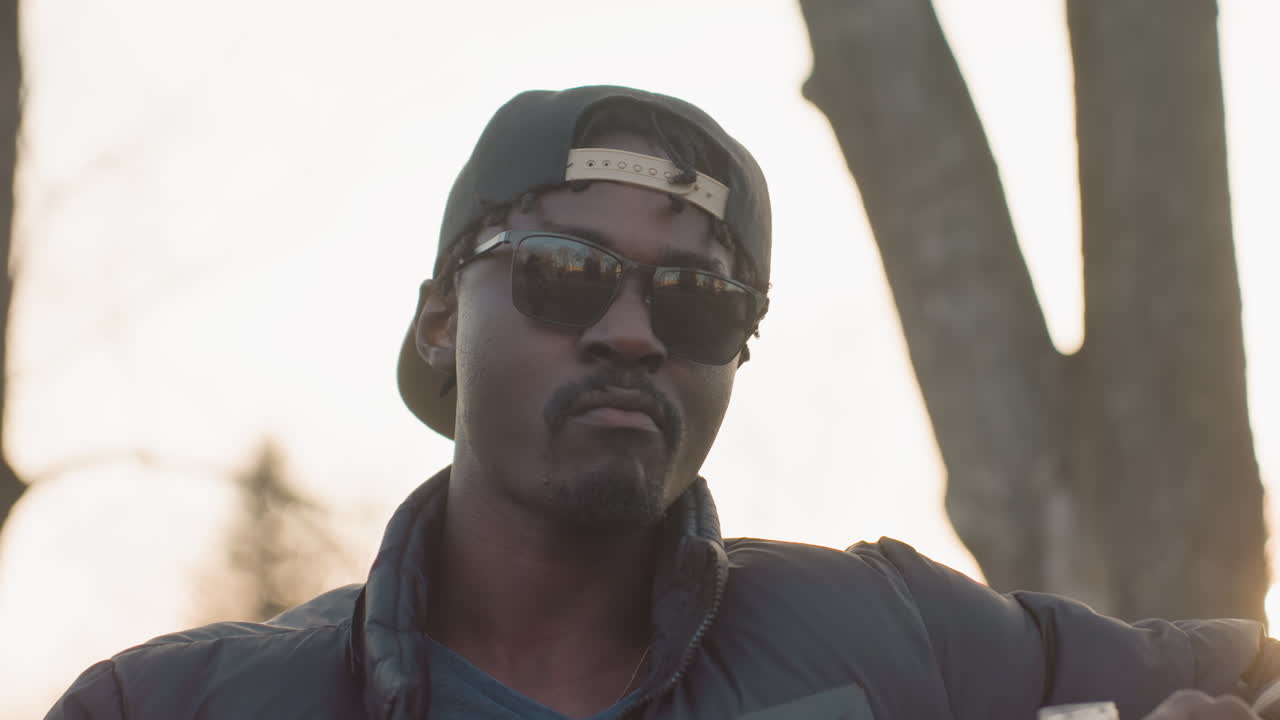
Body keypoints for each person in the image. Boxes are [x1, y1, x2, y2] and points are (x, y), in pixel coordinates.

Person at [45, 85, 1280, 720]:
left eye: (697, 300)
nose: (631, 332)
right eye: (563, 273)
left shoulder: (898, 643)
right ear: (438, 323)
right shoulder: (173, 708)